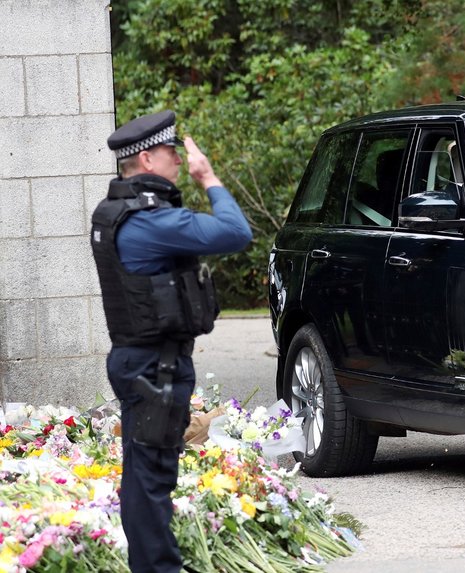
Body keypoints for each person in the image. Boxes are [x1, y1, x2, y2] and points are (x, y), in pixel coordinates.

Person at [90, 110, 252, 573]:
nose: (180, 162)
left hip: (137, 362)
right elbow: (237, 233)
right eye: (171, 153)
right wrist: (210, 177)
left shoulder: (115, 212)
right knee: (151, 482)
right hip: (155, 371)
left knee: (142, 479)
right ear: (146, 158)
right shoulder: (152, 221)